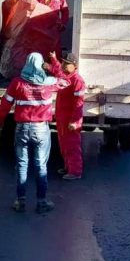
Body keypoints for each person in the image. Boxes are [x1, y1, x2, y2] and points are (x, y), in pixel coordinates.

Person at [0, 52, 65, 214]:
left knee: (22, 165)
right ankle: (41, 203)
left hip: (22, 129)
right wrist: (53, 63)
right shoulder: (49, 83)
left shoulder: (17, 83)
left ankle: (20, 202)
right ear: (40, 64)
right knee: (41, 166)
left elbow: (5, 105)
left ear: (27, 63)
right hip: (41, 129)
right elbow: (66, 80)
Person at [48, 52, 86, 180]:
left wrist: (75, 122)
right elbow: (58, 71)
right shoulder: (66, 77)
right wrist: (53, 59)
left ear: (75, 66)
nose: (64, 66)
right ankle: (68, 167)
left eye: (67, 64)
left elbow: (79, 104)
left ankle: (75, 171)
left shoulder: (77, 81)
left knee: (72, 145)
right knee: (64, 144)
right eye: (63, 63)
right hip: (62, 118)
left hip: (70, 120)